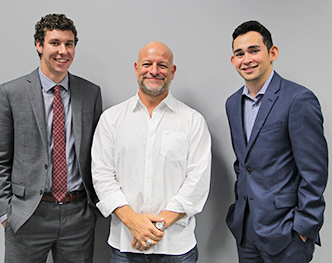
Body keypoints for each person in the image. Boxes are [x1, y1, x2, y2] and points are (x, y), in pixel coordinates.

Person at [0, 14, 102, 263]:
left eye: (69, 44)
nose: (63, 51)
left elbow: (98, 154)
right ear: (39, 45)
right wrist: (4, 212)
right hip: (28, 214)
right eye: (55, 43)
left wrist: (93, 208)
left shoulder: (90, 93)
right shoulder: (12, 93)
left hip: (77, 216)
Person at [91, 41, 211, 262]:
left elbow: (197, 183)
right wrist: (133, 223)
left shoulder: (193, 121)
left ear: (172, 72)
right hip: (125, 246)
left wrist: (151, 229)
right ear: (137, 68)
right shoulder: (111, 119)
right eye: (147, 64)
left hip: (176, 248)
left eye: (162, 65)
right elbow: (102, 177)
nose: (154, 71)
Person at [225, 20, 328, 262]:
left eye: (254, 50)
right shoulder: (232, 104)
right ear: (233, 61)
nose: (246, 59)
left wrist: (303, 227)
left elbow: (315, 171)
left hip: (287, 233)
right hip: (246, 230)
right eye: (239, 54)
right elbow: (243, 164)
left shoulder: (298, 99)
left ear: (272, 53)